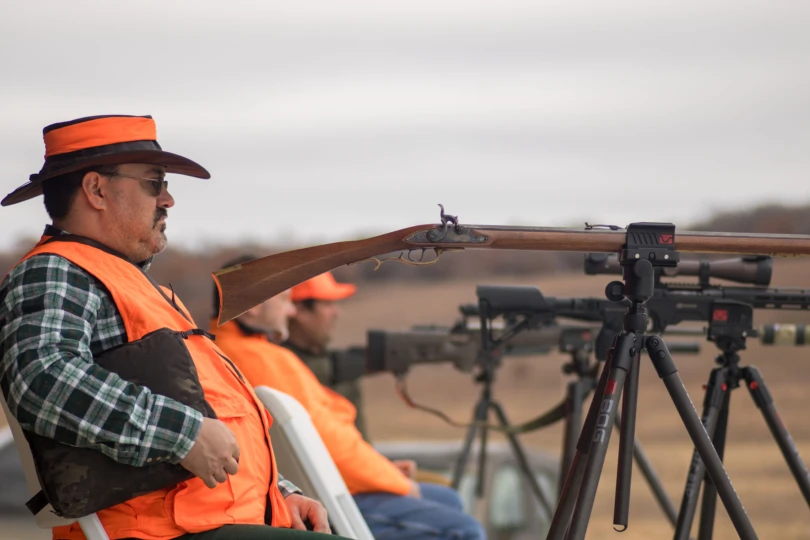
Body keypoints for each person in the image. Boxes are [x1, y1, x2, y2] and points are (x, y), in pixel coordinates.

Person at [0, 115, 338, 540]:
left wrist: (278, 492)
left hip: (219, 521)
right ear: (97, 190)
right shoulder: (54, 270)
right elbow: (40, 377)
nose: (168, 199)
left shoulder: (139, 288)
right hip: (161, 532)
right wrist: (184, 434)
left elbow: (210, 411)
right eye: (154, 183)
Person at [210, 264, 486, 540]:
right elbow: (330, 441)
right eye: (284, 300)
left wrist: (384, 469)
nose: (290, 310)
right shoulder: (263, 359)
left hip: (319, 489)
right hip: (332, 499)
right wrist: (396, 482)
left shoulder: (225, 352)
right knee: (463, 529)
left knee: (447, 498)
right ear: (252, 308)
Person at [282, 272, 369, 439]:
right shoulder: (278, 365)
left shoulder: (339, 369)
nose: (336, 312)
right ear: (300, 310)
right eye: (328, 304)